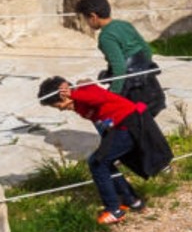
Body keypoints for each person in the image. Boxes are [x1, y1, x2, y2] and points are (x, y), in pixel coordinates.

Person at [39, 73, 169, 223]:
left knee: (97, 163)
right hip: (120, 127)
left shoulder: (84, 90)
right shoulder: (79, 102)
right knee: (105, 163)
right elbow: (100, 113)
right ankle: (131, 201)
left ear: (64, 96)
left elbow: (99, 98)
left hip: (130, 125)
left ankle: (114, 209)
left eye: (58, 106)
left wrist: (74, 93)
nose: (61, 109)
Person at [70, 0, 164, 116]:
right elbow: (146, 49)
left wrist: (112, 95)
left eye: (86, 19)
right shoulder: (124, 25)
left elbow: (119, 68)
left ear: (93, 17)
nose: (87, 23)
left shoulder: (106, 37)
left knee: (122, 122)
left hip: (134, 93)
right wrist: (144, 73)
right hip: (152, 90)